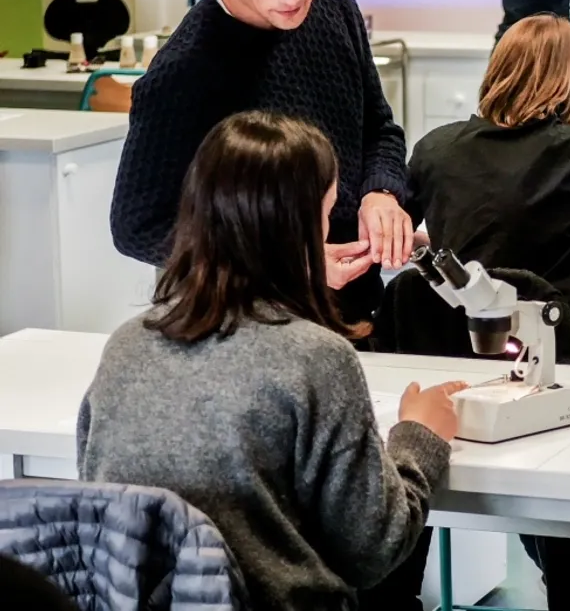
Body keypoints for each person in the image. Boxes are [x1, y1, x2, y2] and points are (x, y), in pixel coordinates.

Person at [79, 111, 467, 611]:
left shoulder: (125, 347)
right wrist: (420, 438)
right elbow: (376, 550)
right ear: (298, 229)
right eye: (326, 216)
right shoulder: (317, 359)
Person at [407, 13, 570, 610]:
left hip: (438, 359)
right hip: (540, 355)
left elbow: (409, 234)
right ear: (569, 82)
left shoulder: (434, 148)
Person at [110, 0, 411, 324]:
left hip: (354, 307)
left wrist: (382, 192)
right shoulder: (183, 72)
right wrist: (284, 264)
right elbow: (137, 228)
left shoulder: (335, 7)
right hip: (248, 326)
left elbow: (379, 130)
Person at [409, 13, 570, 313]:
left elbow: (395, 234)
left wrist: (447, 242)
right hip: (544, 334)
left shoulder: (434, 147)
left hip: (449, 333)